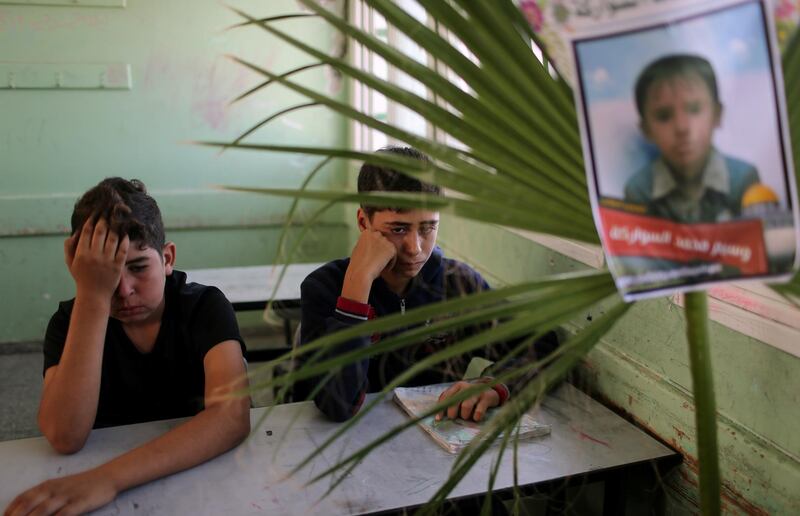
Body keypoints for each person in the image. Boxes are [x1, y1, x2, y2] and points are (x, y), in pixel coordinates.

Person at [4, 178, 250, 516]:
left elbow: (231, 417)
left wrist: (107, 480)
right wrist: (92, 296)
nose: (123, 290)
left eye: (138, 268)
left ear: (167, 258)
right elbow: (64, 436)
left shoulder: (204, 306)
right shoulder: (69, 322)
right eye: (108, 275)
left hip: (200, 475)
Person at [296, 146, 557, 423]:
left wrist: (493, 385)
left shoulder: (457, 285)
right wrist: (357, 288)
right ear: (364, 222)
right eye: (398, 229)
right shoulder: (323, 288)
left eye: (428, 228)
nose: (415, 248)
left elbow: (544, 344)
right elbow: (337, 405)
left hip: (437, 450)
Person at [624, 54, 760, 223]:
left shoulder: (743, 179)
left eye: (694, 109)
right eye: (664, 116)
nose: (682, 127)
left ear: (717, 115)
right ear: (646, 130)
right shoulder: (639, 189)